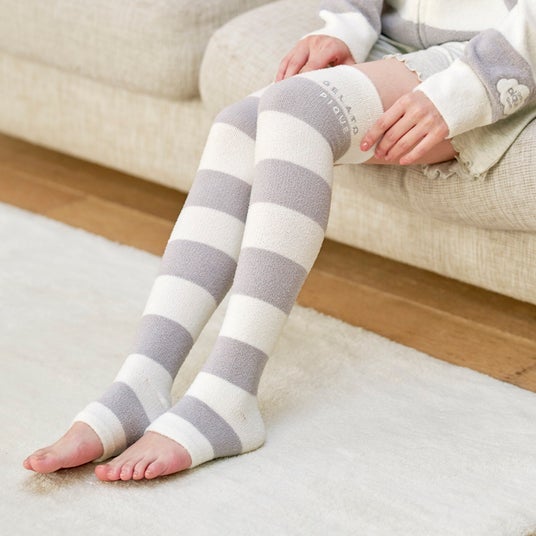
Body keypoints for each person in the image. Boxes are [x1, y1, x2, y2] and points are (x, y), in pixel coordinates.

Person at [24, 0, 535, 481]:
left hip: (495, 58)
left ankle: (229, 393)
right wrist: (348, 26)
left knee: (297, 110)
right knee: (238, 124)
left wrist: (467, 88)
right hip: (400, 44)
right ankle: (140, 383)